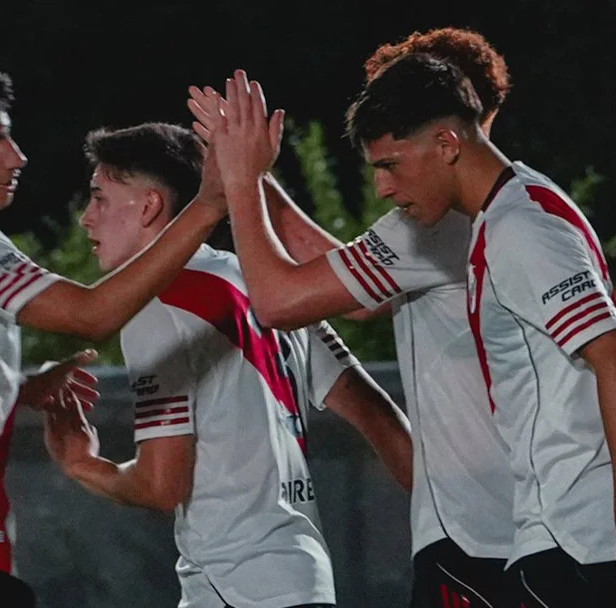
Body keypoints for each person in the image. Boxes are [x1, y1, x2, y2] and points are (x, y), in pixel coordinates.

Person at [0, 54, 226, 608]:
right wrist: (211, 203)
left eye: (8, 137)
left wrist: (17, 387)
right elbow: (92, 314)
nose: (16, 156)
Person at [186, 29, 518, 608]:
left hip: (484, 535)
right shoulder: (510, 206)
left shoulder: (440, 224)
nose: (384, 180)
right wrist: (258, 179)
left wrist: (240, 180)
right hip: (512, 523)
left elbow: (281, 299)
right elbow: (351, 281)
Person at [339, 53, 616, 608]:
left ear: (448, 144)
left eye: (392, 165)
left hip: (578, 542)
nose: (382, 187)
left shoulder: (519, 228)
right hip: (564, 537)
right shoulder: (512, 210)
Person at [42, 121, 412, 608]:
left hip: (237, 587)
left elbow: (161, 484)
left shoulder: (156, 303)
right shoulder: (262, 283)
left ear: (150, 205)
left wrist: (81, 464)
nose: (87, 219)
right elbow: (377, 416)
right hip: (304, 576)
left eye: (100, 198)